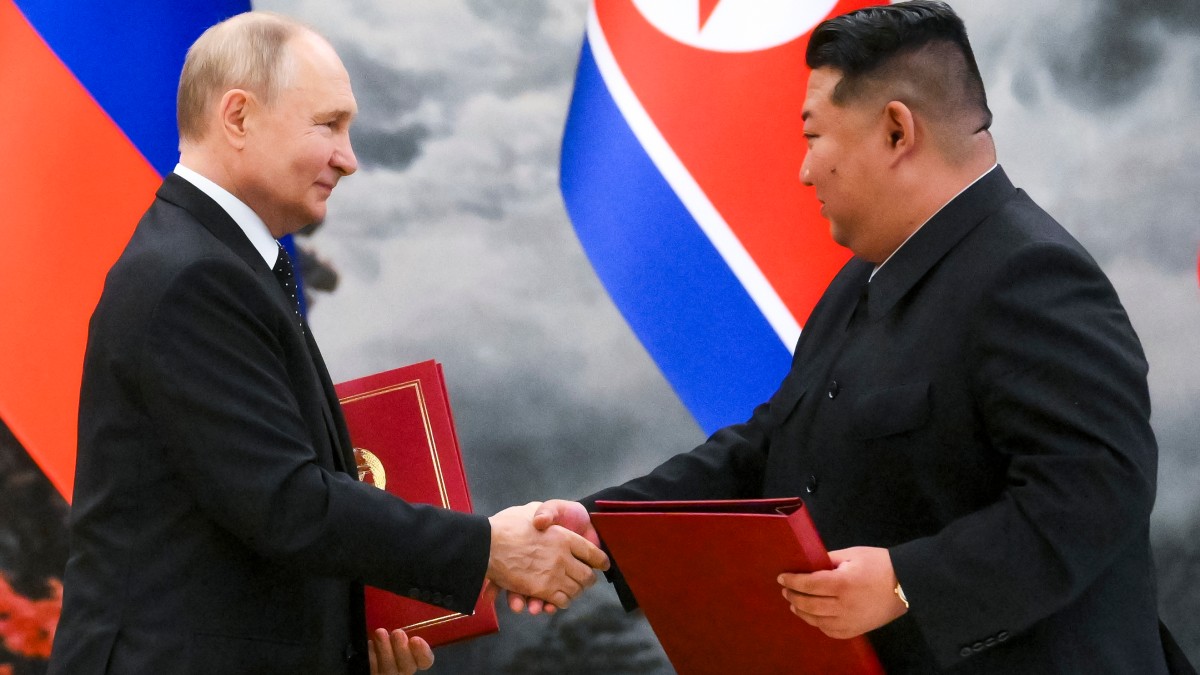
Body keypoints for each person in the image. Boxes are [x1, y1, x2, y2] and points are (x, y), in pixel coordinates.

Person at [528, 1, 1193, 672]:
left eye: (814, 137)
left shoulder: (1034, 274)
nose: (804, 171)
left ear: (897, 131)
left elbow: (1095, 494)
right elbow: (770, 447)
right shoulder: (860, 279)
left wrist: (907, 580)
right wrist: (604, 526)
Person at [46, 11, 607, 675]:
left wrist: (350, 646)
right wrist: (488, 548)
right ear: (238, 118)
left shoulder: (220, 263)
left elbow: (252, 516)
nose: (349, 157)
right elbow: (287, 504)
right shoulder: (193, 276)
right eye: (328, 124)